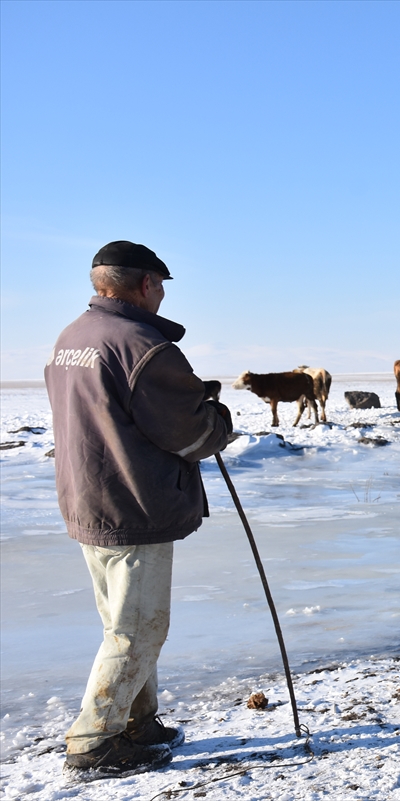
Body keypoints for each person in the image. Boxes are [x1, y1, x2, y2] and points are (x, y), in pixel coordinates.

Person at [45, 241, 234, 780]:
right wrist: (216, 422)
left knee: (121, 622)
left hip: (88, 499)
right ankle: (94, 739)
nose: (161, 296)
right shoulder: (140, 345)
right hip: (134, 502)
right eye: (161, 286)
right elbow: (188, 431)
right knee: (139, 628)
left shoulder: (71, 338)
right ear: (146, 284)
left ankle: (137, 722)